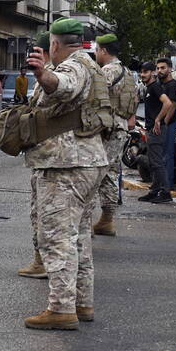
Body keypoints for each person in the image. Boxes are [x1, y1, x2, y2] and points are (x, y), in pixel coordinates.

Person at [20, 18, 108, 331]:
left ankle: (61, 307)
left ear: (55, 44)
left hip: (66, 166)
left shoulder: (73, 66)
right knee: (80, 237)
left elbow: (63, 85)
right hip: (87, 162)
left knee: (57, 238)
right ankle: (81, 303)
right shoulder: (92, 64)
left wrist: (44, 74)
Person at [92, 34, 138, 235]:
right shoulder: (128, 72)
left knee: (93, 173)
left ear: (103, 50)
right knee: (110, 173)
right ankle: (107, 219)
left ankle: (86, 222)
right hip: (120, 128)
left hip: (107, 128)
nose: (95, 54)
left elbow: (94, 96)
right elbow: (135, 98)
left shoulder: (107, 72)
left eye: (96, 50)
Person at [140, 58, 176, 204]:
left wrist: (158, 120)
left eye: (146, 72)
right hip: (151, 129)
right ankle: (155, 190)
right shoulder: (150, 88)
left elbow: (168, 103)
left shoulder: (155, 87)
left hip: (157, 130)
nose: (142, 75)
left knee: (158, 162)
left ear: (153, 73)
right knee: (154, 162)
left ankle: (165, 192)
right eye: (141, 72)